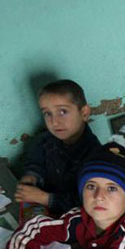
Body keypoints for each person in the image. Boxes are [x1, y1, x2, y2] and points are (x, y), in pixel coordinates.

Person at [16, 79, 101, 216]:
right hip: (44, 209)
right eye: (47, 113)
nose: (54, 122)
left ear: (84, 113)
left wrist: (46, 199)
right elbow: (35, 159)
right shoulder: (45, 140)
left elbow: (91, 200)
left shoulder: (95, 156)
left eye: (62, 111)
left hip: (75, 220)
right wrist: (32, 176)